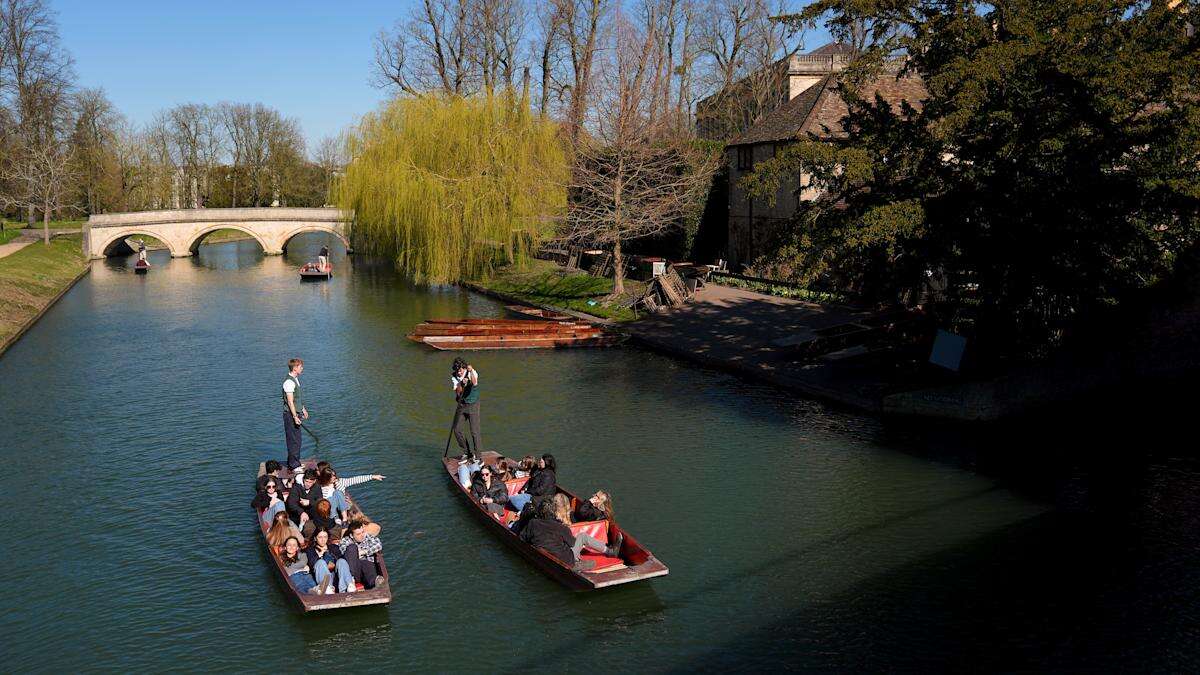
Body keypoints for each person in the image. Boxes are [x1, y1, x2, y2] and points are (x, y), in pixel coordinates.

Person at [518, 494, 621, 571]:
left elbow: (522, 537)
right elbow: (572, 543)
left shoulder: (533, 523)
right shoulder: (561, 527)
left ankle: (584, 560)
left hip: (546, 555)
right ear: (554, 512)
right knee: (582, 537)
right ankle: (609, 551)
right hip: (567, 559)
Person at [338, 519, 385, 590]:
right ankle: (351, 580)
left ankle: (374, 584)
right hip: (353, 572)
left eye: (362, 532)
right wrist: (356, 553)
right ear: (351, 535)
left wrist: (364, 552)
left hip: (367, 571)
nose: (362, 535)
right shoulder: (345, 541)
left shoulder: (367, 537)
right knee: (352, 548)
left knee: (366, 563)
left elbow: (378, 545)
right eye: (358, 534)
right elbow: (345, 553)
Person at [282, 358, 310, 474]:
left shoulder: (295, 379)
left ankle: (295, 462)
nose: (302, 368)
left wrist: (303, 409)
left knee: (297, 440)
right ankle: (293, 465)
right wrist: (294, 416)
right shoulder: (288, 382)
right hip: (290, 415)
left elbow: (297, 399)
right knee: (293, 440)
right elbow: (290, 402)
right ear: (295, 368)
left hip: (296, 413)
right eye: (300, 367)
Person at [450, 358, 481, 461]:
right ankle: (467, 453)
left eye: (461, 370)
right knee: (457, 430)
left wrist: (470, 372)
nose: (459, 373)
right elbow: (458, 392)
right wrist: (461, 384)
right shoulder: (454, 377)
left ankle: (478, 456)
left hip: (473, 405)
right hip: (462, 405)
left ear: (464, 368)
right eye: (457, 371)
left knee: (474, 431)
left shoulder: (472, 372)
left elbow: (474, 382)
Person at [306, 528, 354, 594]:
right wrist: (320, 555)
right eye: (320, 537)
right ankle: (327, 588)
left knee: (341, 561)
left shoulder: (334, 548)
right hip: (321, 577)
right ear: (315, 538)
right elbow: (311, 564)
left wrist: (333, 563)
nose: (323, 540)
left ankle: (348, 586)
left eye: (325, 537)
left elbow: (341, 560)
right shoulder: (310, 550)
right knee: (321, 562)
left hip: (336, 576)